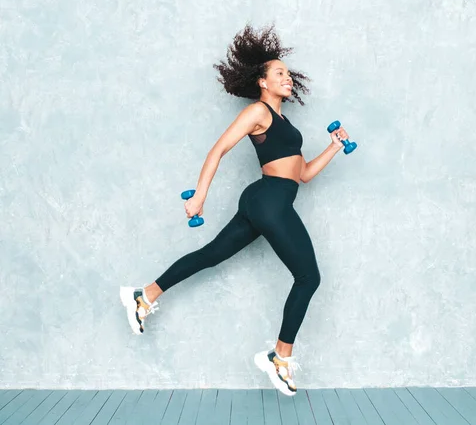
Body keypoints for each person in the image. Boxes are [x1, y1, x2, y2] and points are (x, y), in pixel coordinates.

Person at [119, 24, 351, 396]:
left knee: (212, 255)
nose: (287, 78)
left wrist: (334, 147)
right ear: (262, 81)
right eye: (279, 73)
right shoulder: (257, 112)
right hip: (268, 200)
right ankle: (280, 357)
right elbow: (218, 149)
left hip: (269, 199)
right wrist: (199, 196)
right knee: (309, 277)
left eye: (288, 74)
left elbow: (302, 174)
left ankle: (144, 295)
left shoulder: (285, 122)